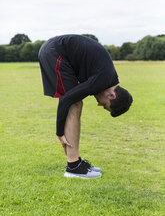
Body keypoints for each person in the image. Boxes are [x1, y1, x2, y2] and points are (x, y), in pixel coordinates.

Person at [38, 34, 133, 179]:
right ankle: (73, 166)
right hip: (55, 52)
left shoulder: (108, 78)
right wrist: (59, 133)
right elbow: (65, 100)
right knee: (74, 103)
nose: (98, 104)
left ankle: (76, 163)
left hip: (58, 52)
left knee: (76, 103)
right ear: (112, 95)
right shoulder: (102, 80)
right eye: (104, 105)